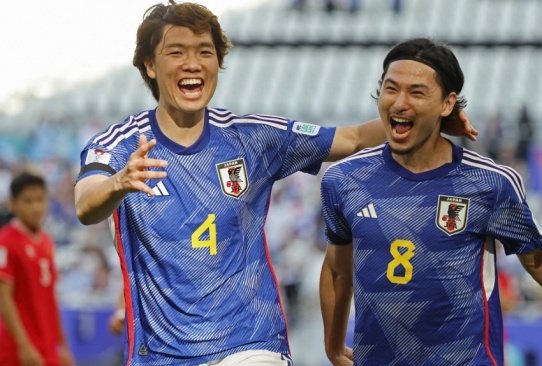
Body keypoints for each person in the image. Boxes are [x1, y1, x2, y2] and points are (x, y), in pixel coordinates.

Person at [73, 2, 477, 365]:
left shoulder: (253, 137)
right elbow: (85, 205)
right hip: (160, 354)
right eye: (176, 53)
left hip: (250, 344)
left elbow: (350, 138)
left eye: (205, 52)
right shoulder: (120, 145)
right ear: (149, 65)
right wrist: (117, 185)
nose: (192, 63)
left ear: (218, 63)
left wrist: (432, 121)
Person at [319, 38, 542, 366]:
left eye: (416, 92)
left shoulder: (489, 183)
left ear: (448, 104)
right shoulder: (344, 179)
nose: (400, 103)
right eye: (390, 89)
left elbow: (536, 258)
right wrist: (332, 346)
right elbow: (336, 269)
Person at [0, 172, 75, 366]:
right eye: (28, 201)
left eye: (40, 200)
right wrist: (23, 345)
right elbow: (4, 297)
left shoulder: (47, 244)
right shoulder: (5, 242)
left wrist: (64, 346)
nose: (36, 207)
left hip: (48, 348)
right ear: (13, 203)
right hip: (19, 351)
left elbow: (51, 298)